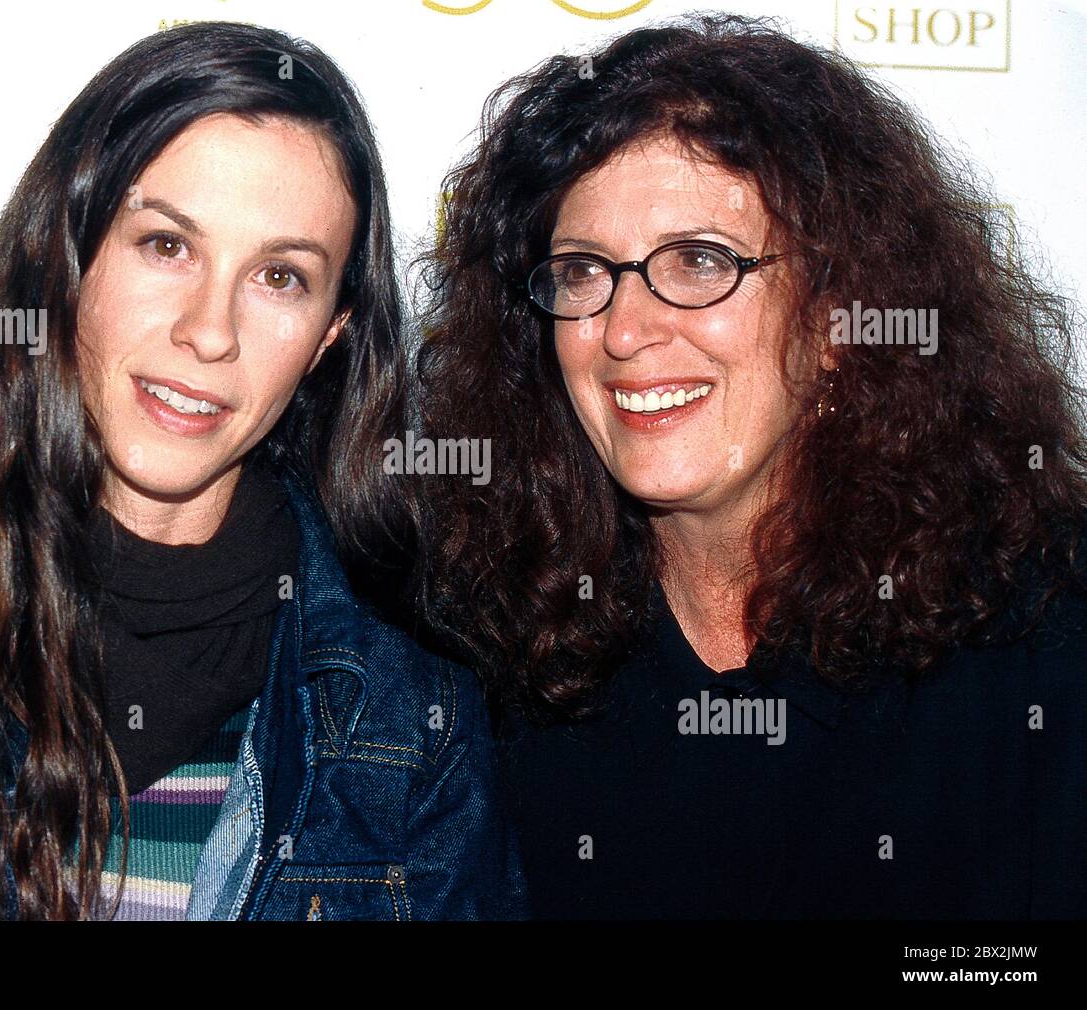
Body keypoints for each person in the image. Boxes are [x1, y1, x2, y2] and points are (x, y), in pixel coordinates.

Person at [0, 22, 523, 921]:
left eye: (281, 276)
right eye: (167, 245)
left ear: (331, 335)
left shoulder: (410, 712)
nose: (210, 330)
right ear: (68, 260)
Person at [415, 14, 1087, 918]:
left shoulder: (1046, 627)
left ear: (839, 313)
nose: (623, 331)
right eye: (581, 273)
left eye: (698, 262)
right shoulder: (485, 645)